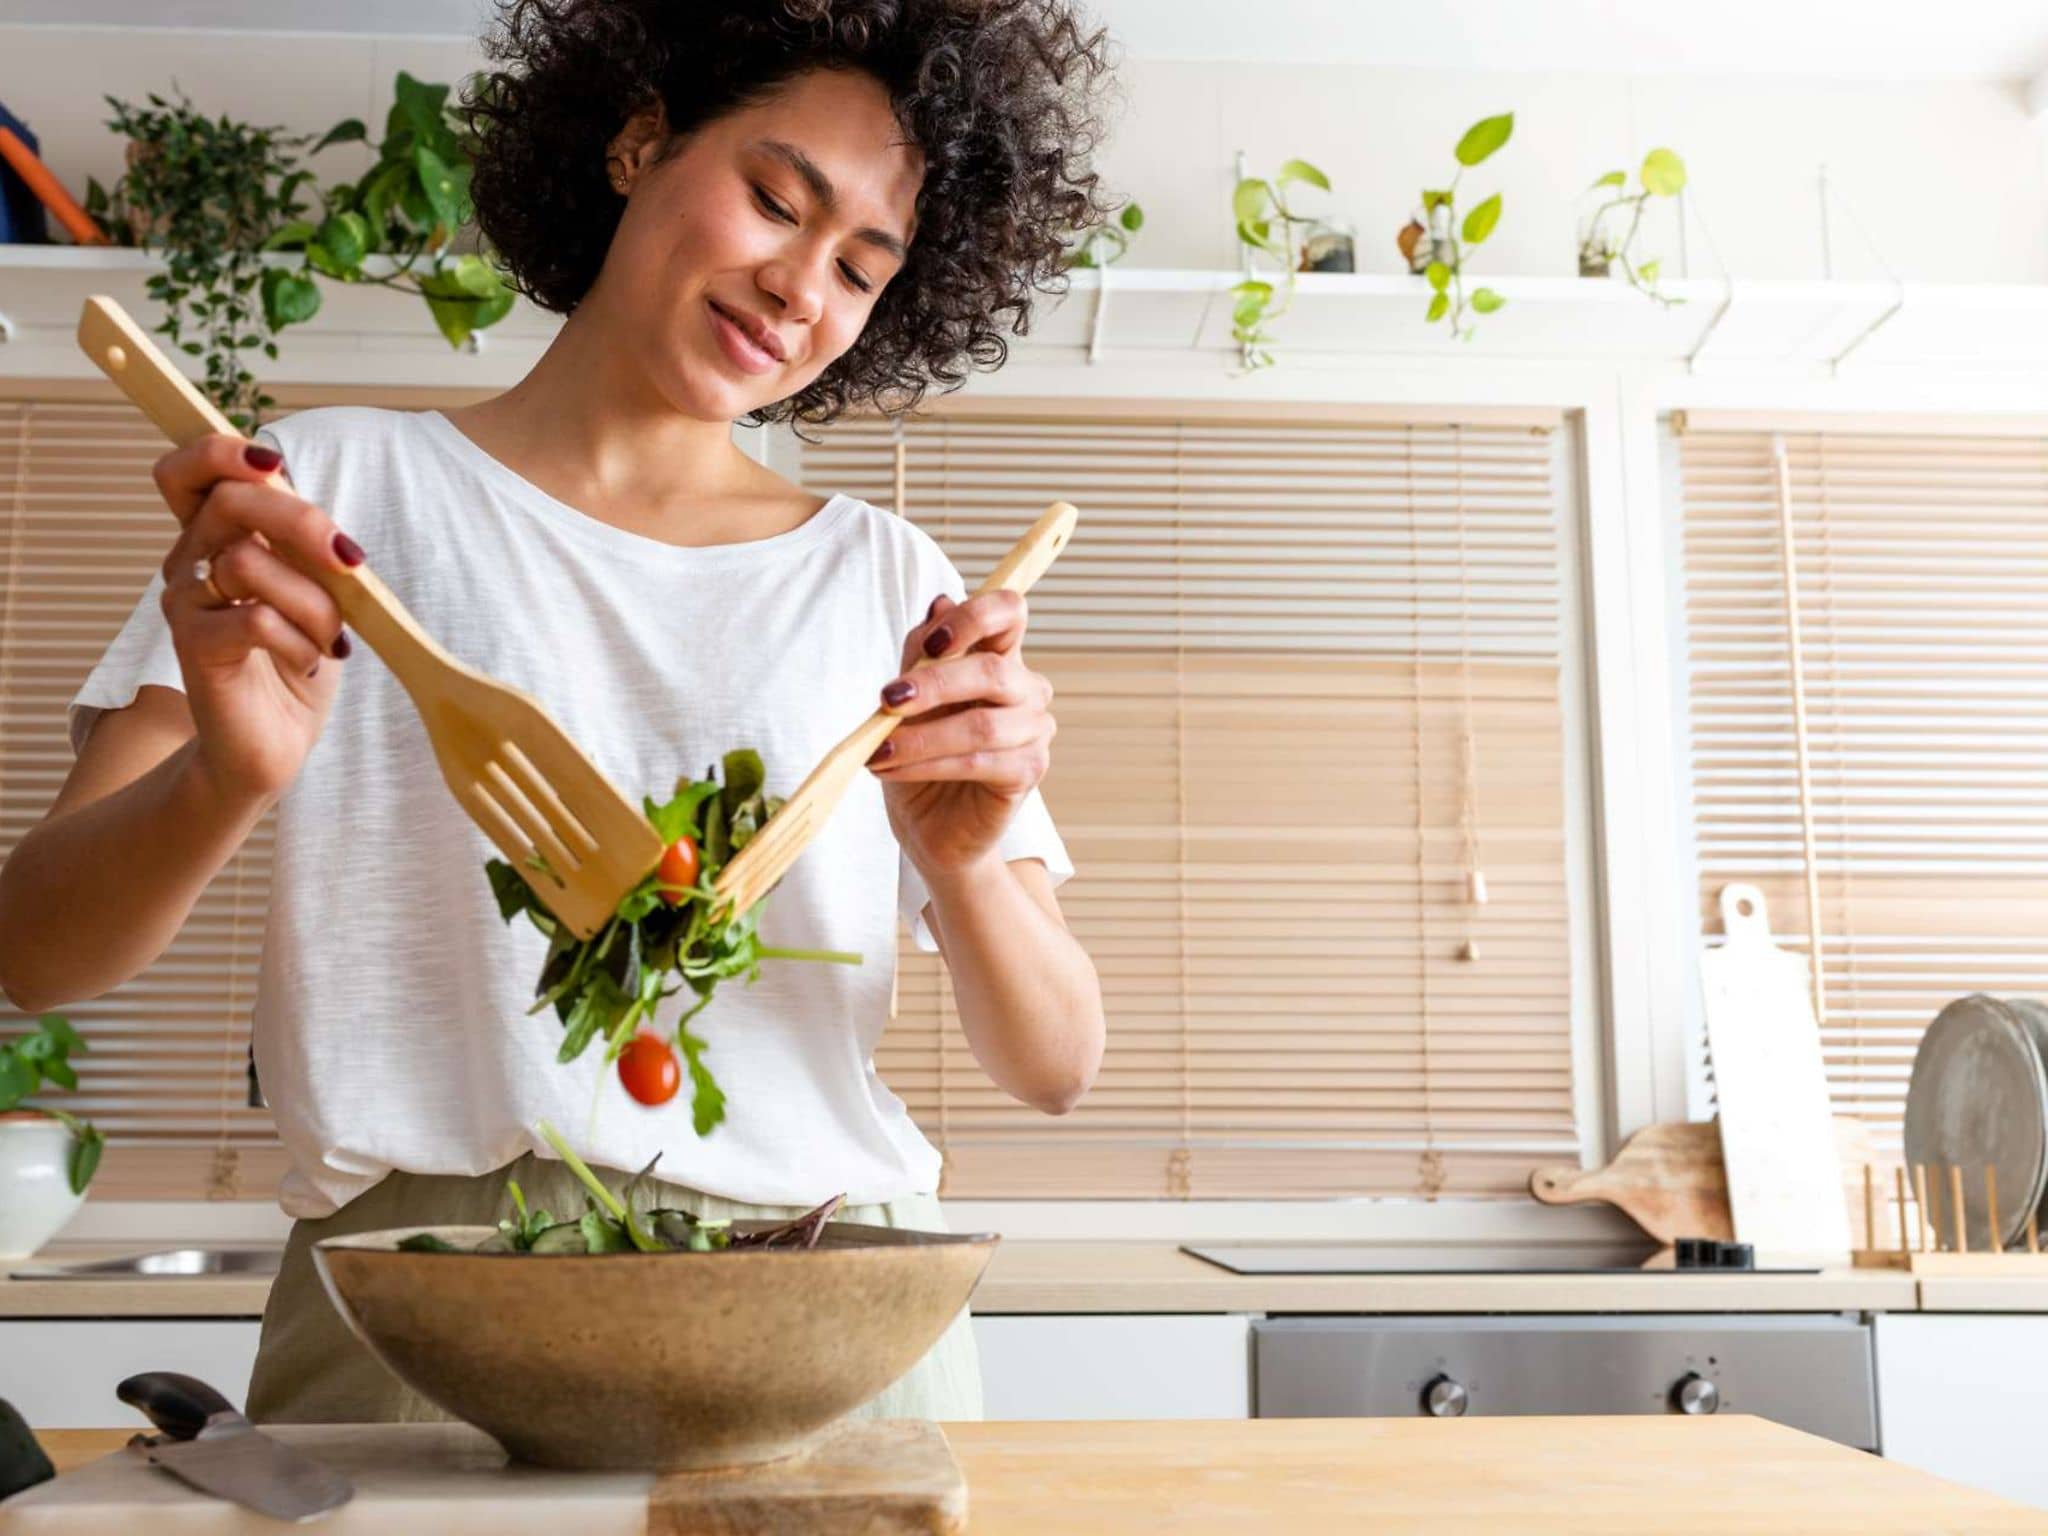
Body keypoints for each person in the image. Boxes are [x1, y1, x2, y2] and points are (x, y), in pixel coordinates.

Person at [0, 0, 1112, 1423]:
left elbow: (1058, 1060)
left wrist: (964, 860)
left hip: (826, 1309)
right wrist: (227, 777)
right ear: (639, 139)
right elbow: (35, 954)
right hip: (421, 1310)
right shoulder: (331, 499)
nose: (798, 289)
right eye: (776, 200)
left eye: (859, 269)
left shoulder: (886, 578)